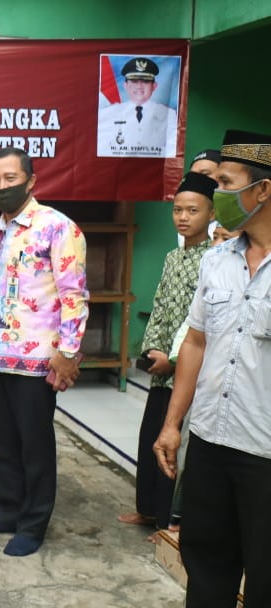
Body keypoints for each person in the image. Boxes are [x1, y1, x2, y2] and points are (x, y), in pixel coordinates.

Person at [154, 129, 271, 607]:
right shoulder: (217, 260)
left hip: (264, 453)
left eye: (225, 183)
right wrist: (172, 424)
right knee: (205, 568)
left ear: (262, 190)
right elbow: (197, 344)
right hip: (209, 443)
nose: (216, 193)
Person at [0, 147, 89, 557]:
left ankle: (34, 523)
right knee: (3, 441)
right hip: (0, 355)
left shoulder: (58, 228)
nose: (3, 187)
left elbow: (75, 296)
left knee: (34, 444)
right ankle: (9, 511)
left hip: (40, 360)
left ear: (31, 180)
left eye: (10, 178)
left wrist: (68, 352)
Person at [118, 172, 215, 532]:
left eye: (193, 210)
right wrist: (153, 350)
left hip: (186, 368)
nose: (184, 217)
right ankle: (146, 509)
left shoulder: (214, 258)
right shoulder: (173, 257)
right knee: (150, 438)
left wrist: (174, 361)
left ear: (210, 214)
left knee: (175, 446)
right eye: (178, 210)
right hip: (161, 367)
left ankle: (166, 521)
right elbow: (160, 307)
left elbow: (198, 324)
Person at [97, 57, 179, 157]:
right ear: (126, 85)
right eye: (134, 81)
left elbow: (172, 152)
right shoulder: (108, 114)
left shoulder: (169, 115)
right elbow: (103, 150)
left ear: (154, 86)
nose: (139, 86)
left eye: (145, 81)